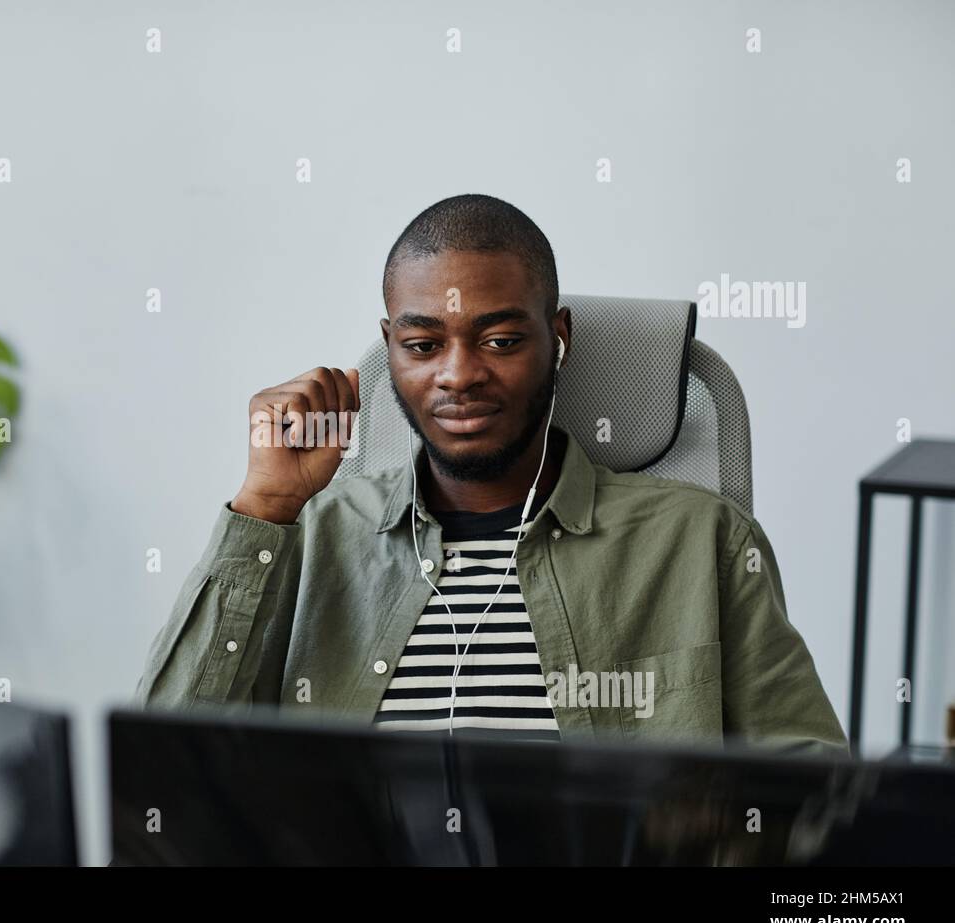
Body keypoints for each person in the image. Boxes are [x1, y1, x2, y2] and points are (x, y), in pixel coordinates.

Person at [134, 193, 848, 755]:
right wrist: (265, 503)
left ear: (557, 340)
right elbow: (164, 770)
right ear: (391, 350)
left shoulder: (702, 541)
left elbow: (809, 800)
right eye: (422, 344)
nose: (458, 375)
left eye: (501, 340)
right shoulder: (309, 536)